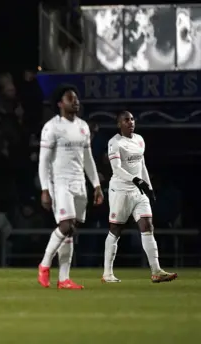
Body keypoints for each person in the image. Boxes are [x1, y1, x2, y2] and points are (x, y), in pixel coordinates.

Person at [37, 84, 103, 289]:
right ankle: (45, 265)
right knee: (65, 226)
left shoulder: (83, 126)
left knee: (70, 231)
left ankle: (64, 279)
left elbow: (88, 158)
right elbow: (44, 161)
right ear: (60, 103)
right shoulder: (52, 127)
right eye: (70, 98)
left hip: (79, 183)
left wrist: (97, 185)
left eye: (76, 98)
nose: (75, 101)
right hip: (61, 183)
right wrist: (45, 189)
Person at [102, 111, 177, 283]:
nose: (130, 122)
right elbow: (117, 169)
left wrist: (149, 187)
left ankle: (156, 271)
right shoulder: (115, 143)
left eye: (132, 119)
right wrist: (136, 180)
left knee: (147, 225)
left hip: (138, 191)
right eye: (126, 120)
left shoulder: (139, 140)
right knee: (115, 230)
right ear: (119, 124)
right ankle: (107, 273)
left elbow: (142, 165)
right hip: (120, 191)